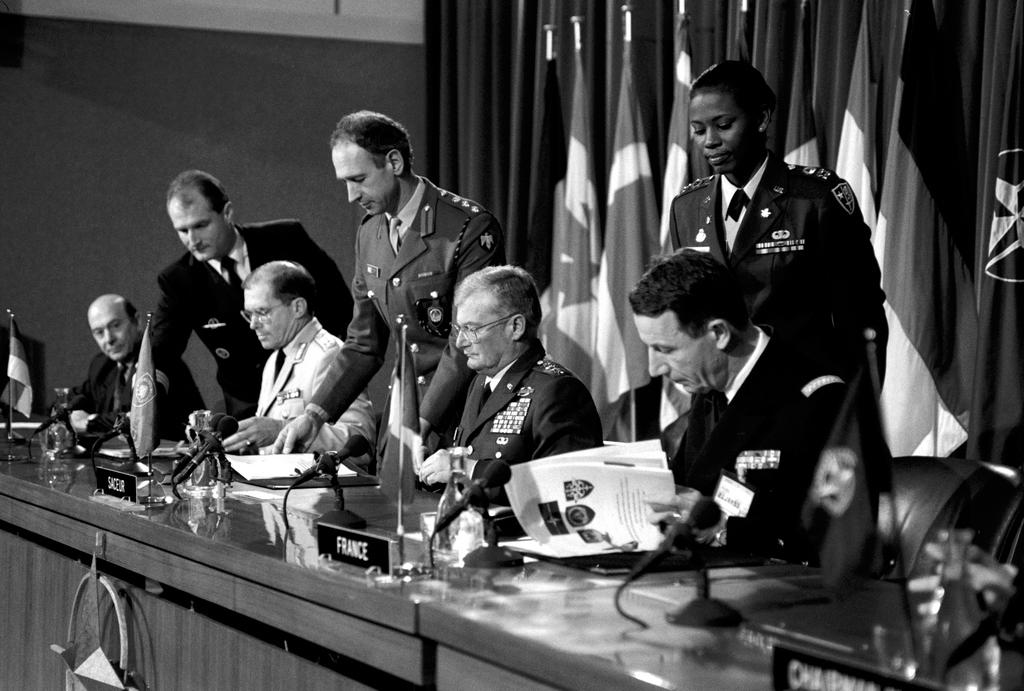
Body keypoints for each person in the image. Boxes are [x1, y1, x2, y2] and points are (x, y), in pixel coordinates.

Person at [274, 111, 504, 459]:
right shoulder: (369, 233)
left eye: (359, 179)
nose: (352, 196)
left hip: (461, 413)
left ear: (394, 162)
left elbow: (466, 340)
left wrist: (421, 423)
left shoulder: (467, 227)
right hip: (404, 411)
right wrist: (314, 415)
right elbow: (363, 344)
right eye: (345, 182)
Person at [667, 60, 886, 381]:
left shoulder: (815, 198)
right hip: (721, 406)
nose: (709, 141)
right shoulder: (686, 208)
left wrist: (849, 411)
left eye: (724, 125)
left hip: (801, 402)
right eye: (699, 130)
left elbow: (862, 316)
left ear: (762, 117)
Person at [630, 250, 847, 563]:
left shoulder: (818, 402)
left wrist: (722, 528)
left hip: (793, 597)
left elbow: (837, 533)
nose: (654, 368)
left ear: (718, 333)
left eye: (665, 350)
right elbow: (691, 493)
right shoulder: (707, 391)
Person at [152, 170, 353, 419]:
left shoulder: (288, 239)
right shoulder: (179, 280)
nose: (193, 240)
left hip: (312, 388)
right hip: (245, 403)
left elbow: (340, 306)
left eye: (201, 225)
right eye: (182, 231)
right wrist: (146, 399)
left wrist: (320, 365)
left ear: (227, 212)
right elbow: (161, 351)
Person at [416, 265, 602, 488]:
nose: (460, 342)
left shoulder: (559, 392)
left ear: (515, 327)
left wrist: (465, 469)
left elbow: (567, 487)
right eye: (459, 329)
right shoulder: (480, 381)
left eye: (472, 329)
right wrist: (430, 468)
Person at [220, 261, 374, 461]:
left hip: (319, 489)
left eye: (262, 312)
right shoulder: (274, 360)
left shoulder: (329, 354)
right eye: (249, 314)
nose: (253, 324)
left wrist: (281, 430)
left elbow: (360, 441)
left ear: (298, 307)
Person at [68, 294, 203, 441]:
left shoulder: (157, 358)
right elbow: (74, 399)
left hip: (168, 458)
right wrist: (67, 412)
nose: (109, 339)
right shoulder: (101, 364)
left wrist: (90, 422)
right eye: (99, 332)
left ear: (137, 321)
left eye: (115, 325)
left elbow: (137, 417)